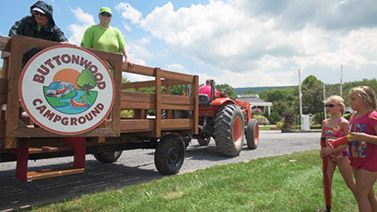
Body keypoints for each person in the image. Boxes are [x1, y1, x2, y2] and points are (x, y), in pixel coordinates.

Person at [318, 95, 356, 212]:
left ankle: (365, 203)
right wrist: (323, 150)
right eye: (326, 105)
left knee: (350, 183)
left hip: (342, 155)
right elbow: (323, 138)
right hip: (328, 156)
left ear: (340, 107)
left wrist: (333, 150)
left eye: (331, 105)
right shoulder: (325, 122)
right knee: (327, 181)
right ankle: (328, 207)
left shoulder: (344, 123)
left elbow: (347, 142)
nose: (328, 108)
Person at [8, 1, 68, 66]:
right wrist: (16, 42)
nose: (38, 16)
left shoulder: (55, 30)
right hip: (23, 63)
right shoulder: (26, 21)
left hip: (42, 67)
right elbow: (15, 30)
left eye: (41, 14)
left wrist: (65, 43)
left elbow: (62, 39)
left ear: (48, 16)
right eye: (36, 13)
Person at [347, 86, 377, 212]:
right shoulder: (353, 118)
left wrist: (365, 137)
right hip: (356, 160)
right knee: (368, 193)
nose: (350, 102)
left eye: (354, 99)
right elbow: (350, 138)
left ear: (365, 99)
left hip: (370, 161)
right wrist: (337, 143)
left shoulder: (373, 117)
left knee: (361, 194)